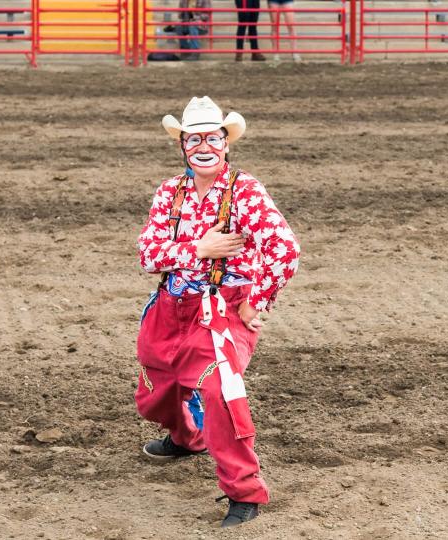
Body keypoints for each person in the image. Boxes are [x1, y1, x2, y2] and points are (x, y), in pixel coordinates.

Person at [135, 97, 300, 528]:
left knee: (219, 391)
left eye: (212, 138)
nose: (203, 146)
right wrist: (199, 249)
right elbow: (148, 255)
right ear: (182, 146)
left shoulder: (245, 191)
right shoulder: (169, 191)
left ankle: (244, 492)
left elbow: (285, 250)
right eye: (194, 139)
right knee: (157, 391)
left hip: (220, 308)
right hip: (169, 306)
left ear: (226, 144)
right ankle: (187, 438)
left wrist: (256, 301)